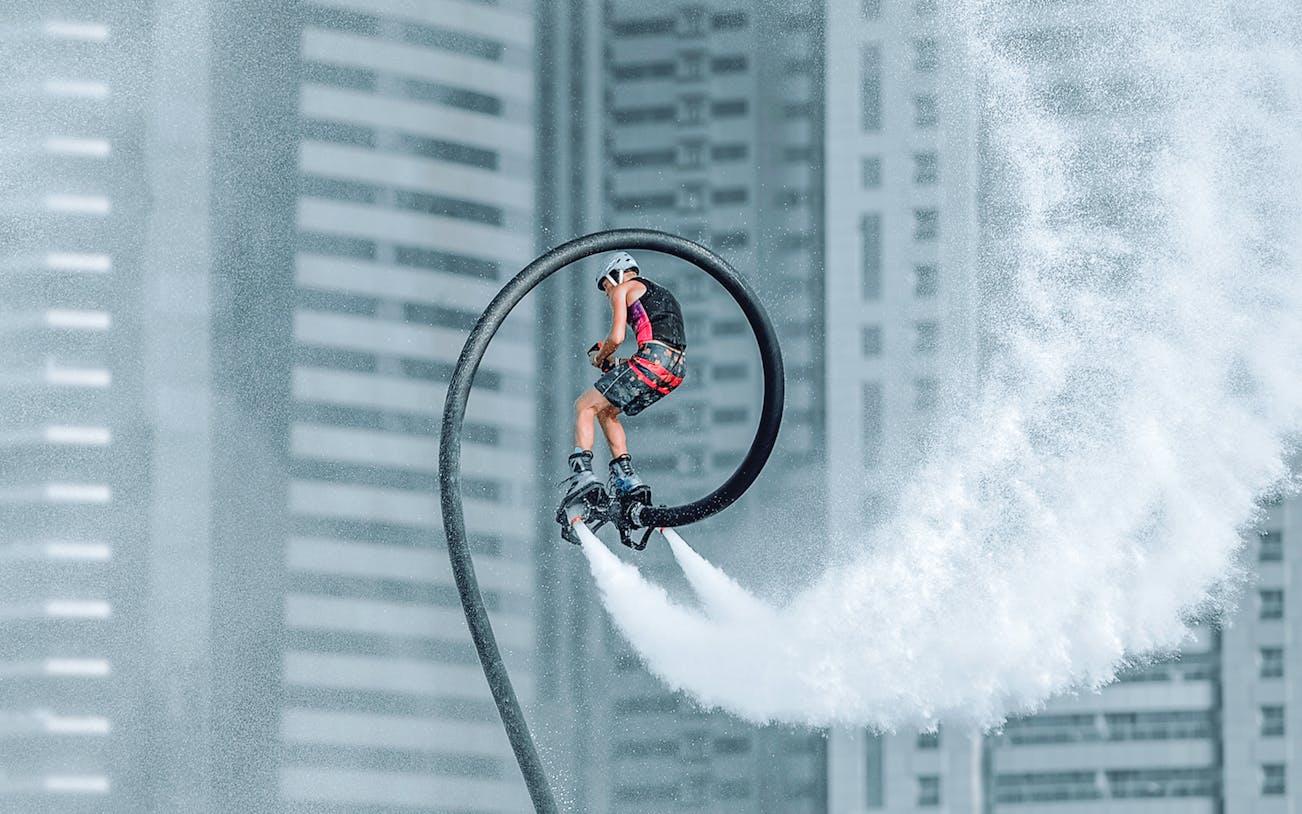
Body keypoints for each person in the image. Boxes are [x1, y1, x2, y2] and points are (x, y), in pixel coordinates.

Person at [560, 251, 688, 510]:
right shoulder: (664, 294)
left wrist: (601, 356)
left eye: (606, 287)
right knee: (607, 411)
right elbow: (661, 345)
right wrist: (616, 365)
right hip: (675, 369)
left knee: (584, 405)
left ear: (615, 275)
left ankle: (582, 473)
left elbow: (617, 337)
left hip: (652, 361)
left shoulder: (623, 290)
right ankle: (626, 478)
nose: (608, 294)